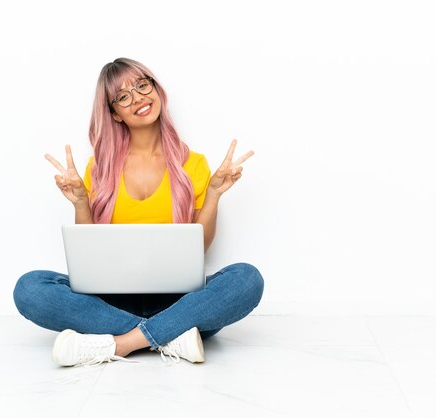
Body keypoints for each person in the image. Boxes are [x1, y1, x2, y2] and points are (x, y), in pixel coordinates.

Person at [13, 58, 264, 367]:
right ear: (115, 113)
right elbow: (89, 255)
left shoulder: (194, 164)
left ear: (156, 89)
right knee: (30, 288)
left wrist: (213, 193)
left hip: (179, 299)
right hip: (111, 301)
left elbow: (200, 248)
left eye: (142, 85)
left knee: (246, 279)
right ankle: (170, 335)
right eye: (123, 96)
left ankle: (121, 343)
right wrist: (80, 201)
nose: (138, 98)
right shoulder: (100, 168)